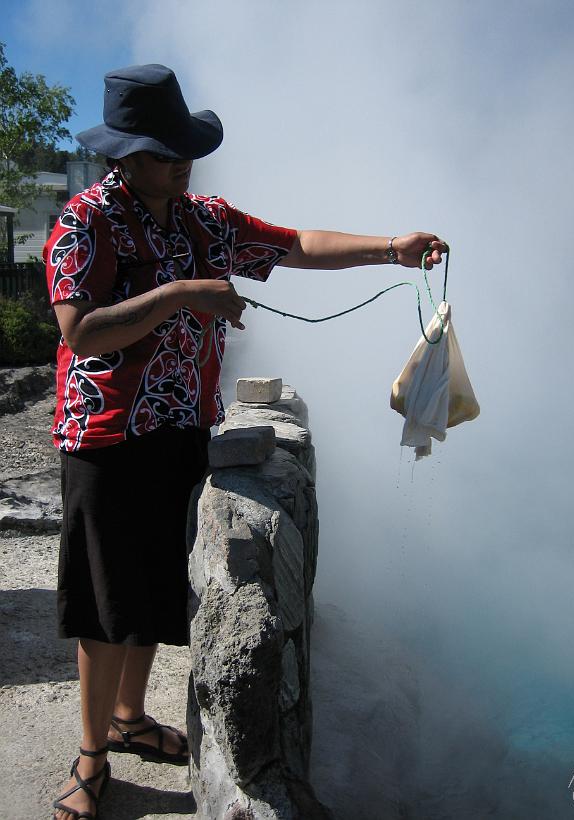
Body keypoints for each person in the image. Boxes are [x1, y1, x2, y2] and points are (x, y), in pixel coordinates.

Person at [45, 63, 447, 820]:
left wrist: (391, 247)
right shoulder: (85, 222)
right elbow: (81, 332)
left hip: (181, 428)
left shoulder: (202, 218)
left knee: (154, 593)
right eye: (164, 152)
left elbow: (295, 244)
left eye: (182, 149)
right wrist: (182, 295)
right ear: (124, 155)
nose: (180, 162)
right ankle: (92, 754)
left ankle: (130, 720)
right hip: (105, 436)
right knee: (105, 607)